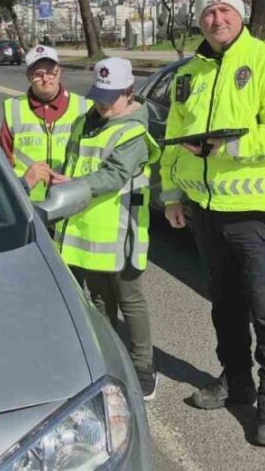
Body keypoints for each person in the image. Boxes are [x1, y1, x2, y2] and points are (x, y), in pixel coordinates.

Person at [159, 0, 265, 446]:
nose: (216, 19)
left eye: (224, 11)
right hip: (204, 210)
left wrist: (232, 145)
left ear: (240, 13)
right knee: (224, 306)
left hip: (254, 213)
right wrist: (173, 196)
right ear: (198, 19)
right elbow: (175, 139)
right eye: (207, 12)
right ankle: (237, 381)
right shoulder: (189, 74)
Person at [32, 57, 160, 401]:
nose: (102, 103)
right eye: (99, 94)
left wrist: (75, 183)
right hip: (85, 232)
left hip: (120, 231)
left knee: (130, 301)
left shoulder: (133, 130)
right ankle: (109, 357)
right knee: (100, 301)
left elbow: (116, 175)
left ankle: (143, 368)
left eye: (111, 96)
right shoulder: (84, 121)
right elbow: (72, 162)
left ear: (129, 92)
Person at [0, 45, 90, 200]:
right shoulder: (13, 108)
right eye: (38, 74)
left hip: (71, 202)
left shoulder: (84, 107)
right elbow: (2, 161)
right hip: (27, 203)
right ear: (28, 76)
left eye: (51, 72)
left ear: (60, 72)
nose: (45, 79)